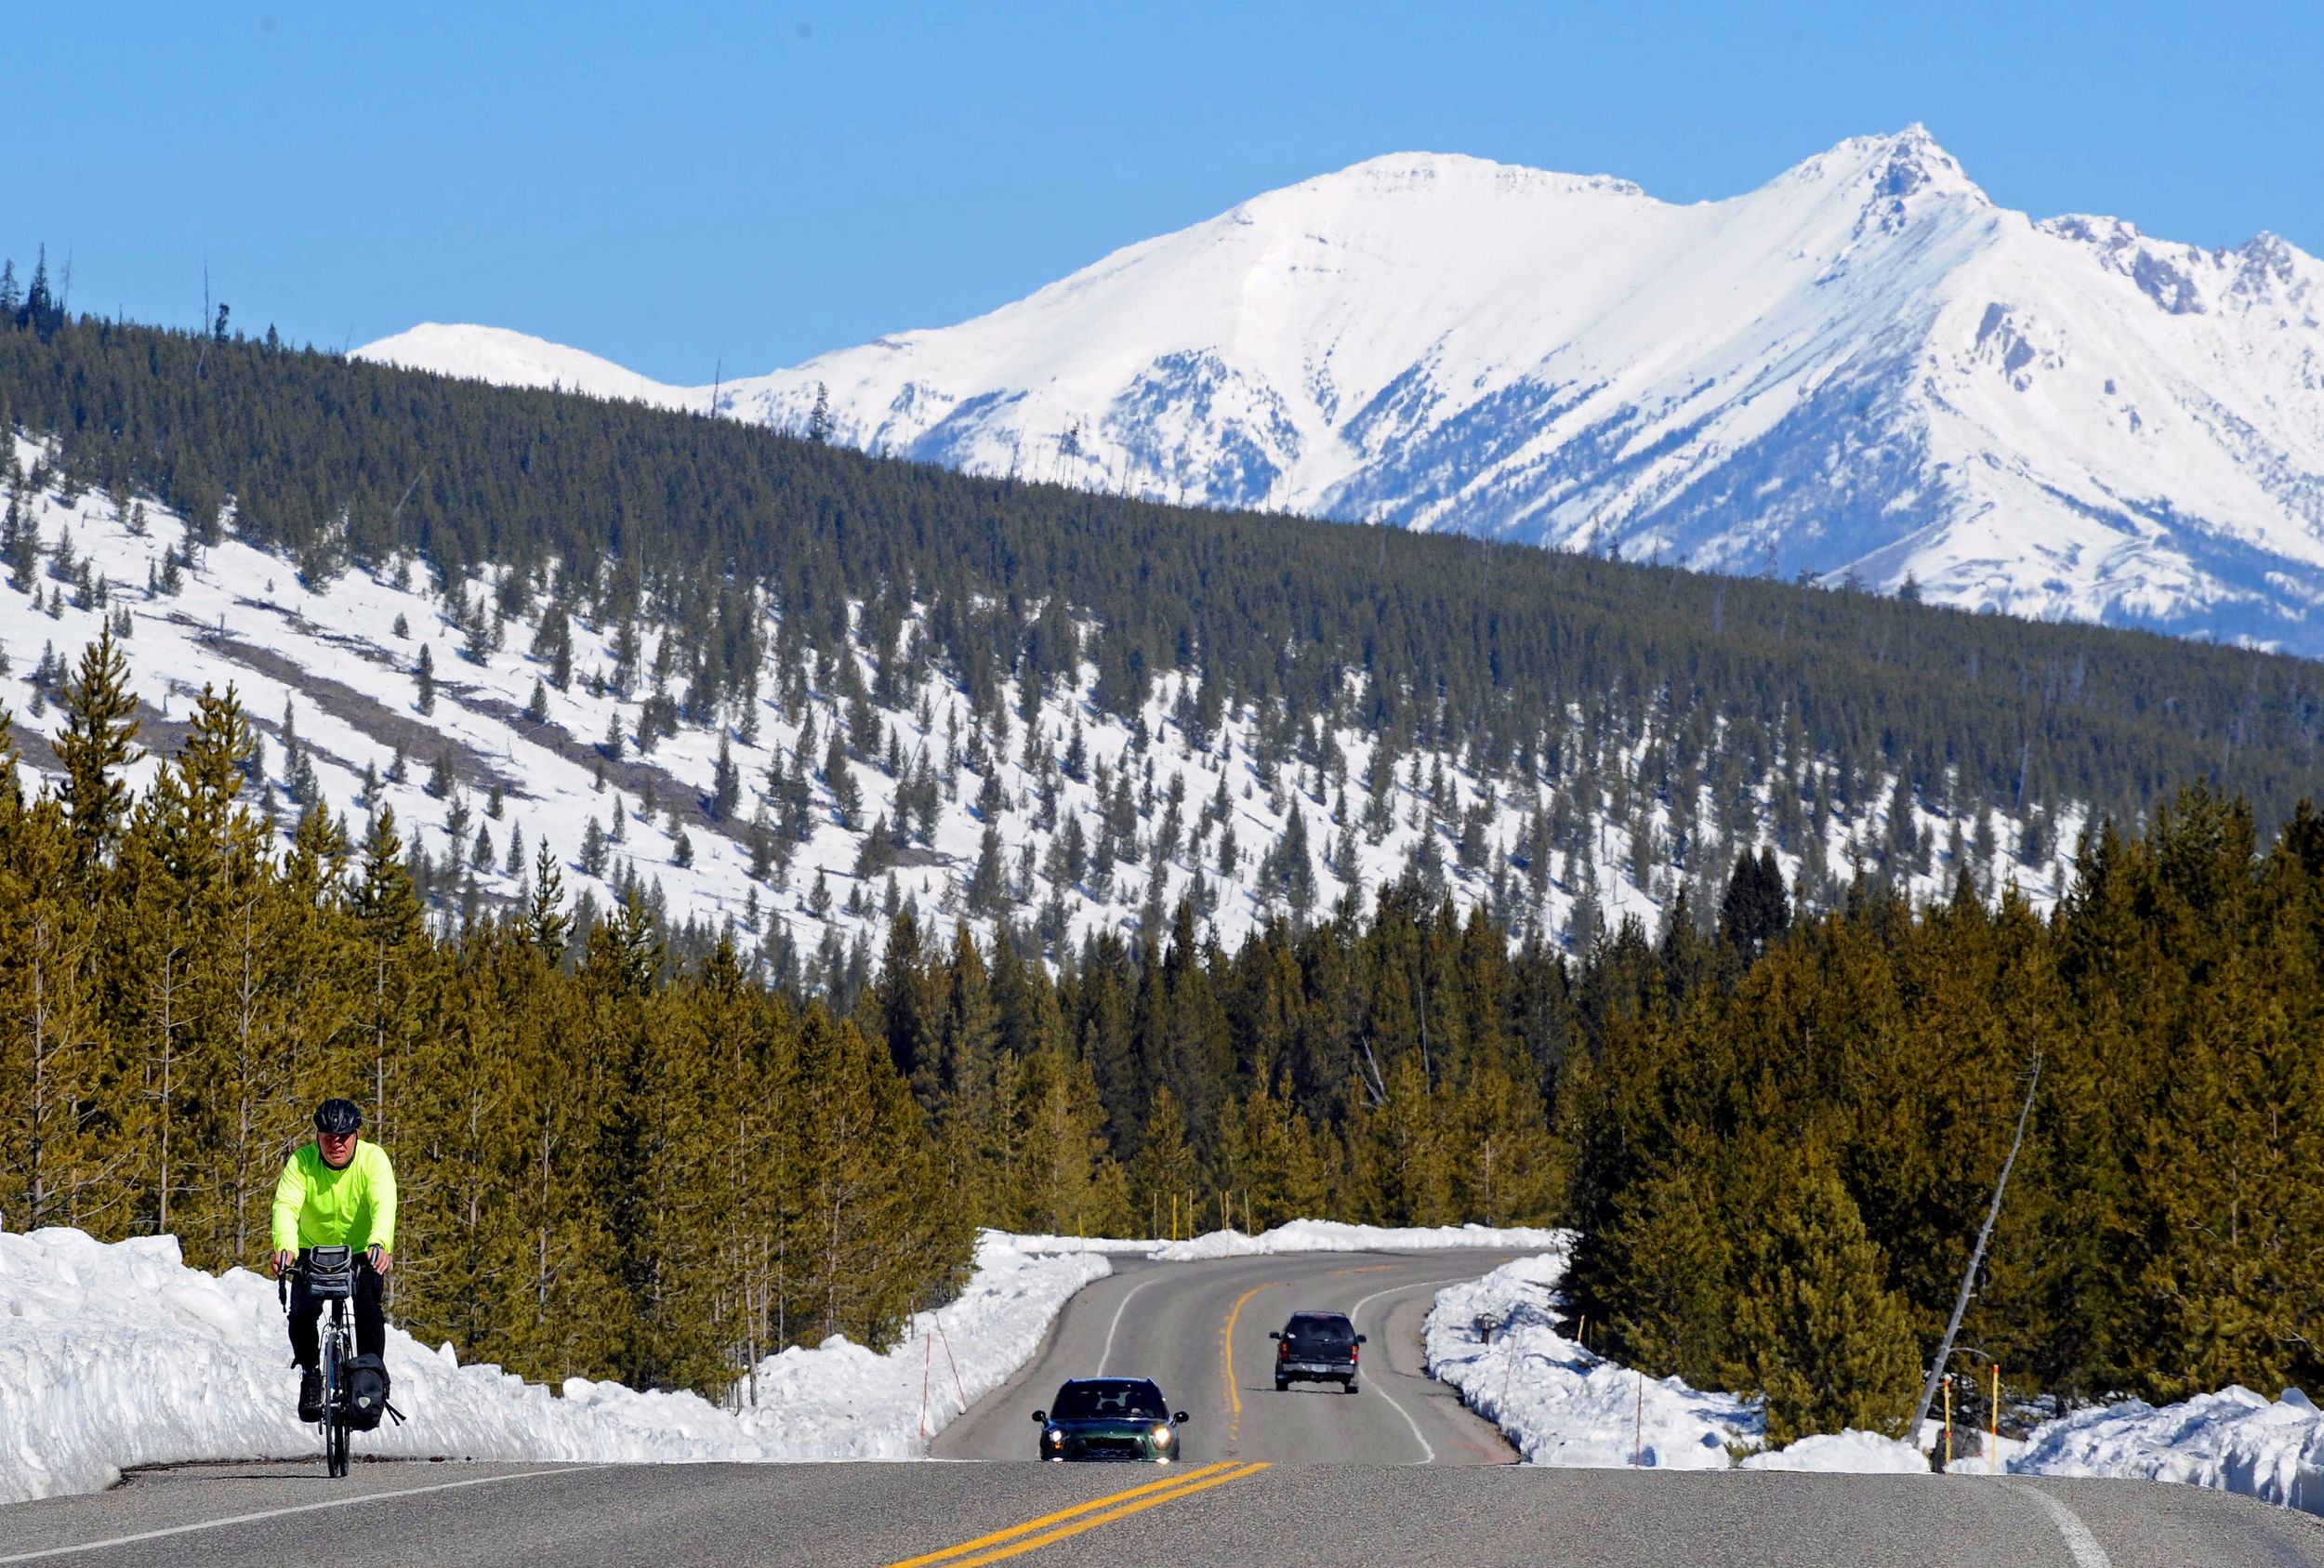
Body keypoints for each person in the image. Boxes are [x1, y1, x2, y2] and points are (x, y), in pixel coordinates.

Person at [271, 1098, 396, 1423]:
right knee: (300, 1313)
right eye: (328, 1136)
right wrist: (285, 1247)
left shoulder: (373, 1159)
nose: (335, 1143)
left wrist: (380, 1242)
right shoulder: (302, 1163)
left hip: (361, 1250)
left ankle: (369, 1379)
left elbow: (384, 1202)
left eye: (343, 1136)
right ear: (317, 1136)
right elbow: (286, 1206)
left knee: (368, 1310)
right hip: (312, 1249)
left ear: (356, 1135)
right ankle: (312, 1374)